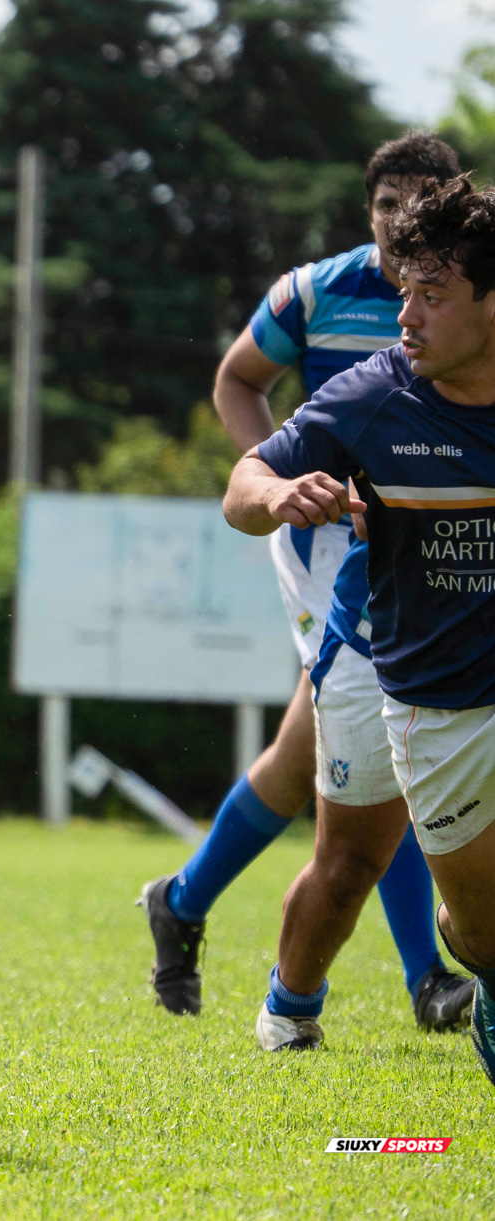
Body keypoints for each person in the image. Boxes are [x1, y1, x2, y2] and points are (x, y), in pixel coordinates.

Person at [139, 132, 475, 1034]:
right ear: (367, 211)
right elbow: (238, 382)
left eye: (424, 201)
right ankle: (426, 977)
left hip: (412, 546)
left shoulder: (476, 286)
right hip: (331, 551)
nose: (406, 222)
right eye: (389, 205)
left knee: (308, 762)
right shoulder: (317, 295)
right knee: (369, 749)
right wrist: (285, 483)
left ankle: (183, 896)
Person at [222, 173, 495, 1075]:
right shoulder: (375, 395)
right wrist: (279, 492)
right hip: (422, 690)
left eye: (432, 296)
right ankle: (292, 1005)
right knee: (359, 869)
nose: (405, 316)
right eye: (403, 292)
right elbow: (242, 488)